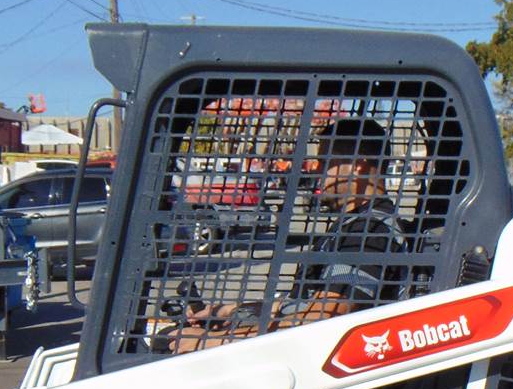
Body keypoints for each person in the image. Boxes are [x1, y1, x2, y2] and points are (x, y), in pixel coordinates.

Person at [169, 117, 409, 353]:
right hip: (299, 351)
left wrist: (214, 343)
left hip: (309, 363)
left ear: (358, 164)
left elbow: (321, 319)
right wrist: (227, 310)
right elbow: (300, 305)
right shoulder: (352, 225)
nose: (315, 169)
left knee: (168, 346)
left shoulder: (370, 231)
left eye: (324, 161)